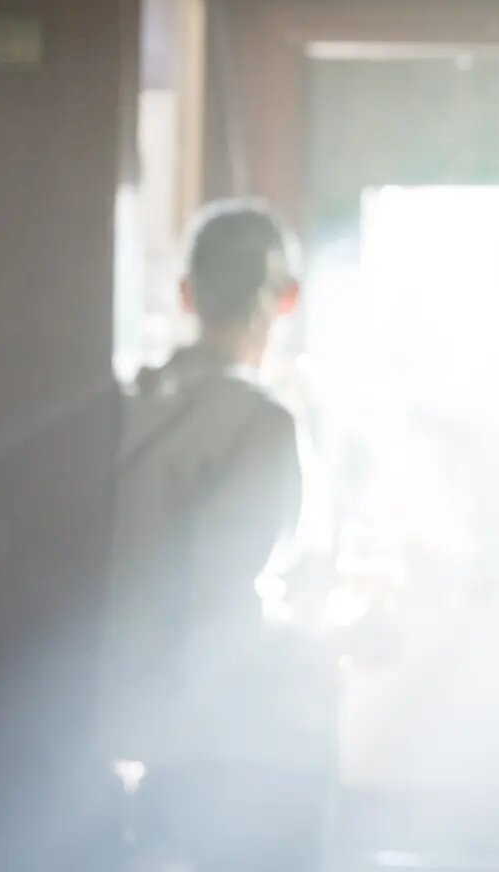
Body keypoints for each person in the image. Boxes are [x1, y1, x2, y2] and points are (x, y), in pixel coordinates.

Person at [98, 198, 335, 872]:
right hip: (212, 745)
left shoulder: (117, 407)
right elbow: (231, 599)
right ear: (287, 300)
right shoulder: (262, 423)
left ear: (185, 293)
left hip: (100, 725)